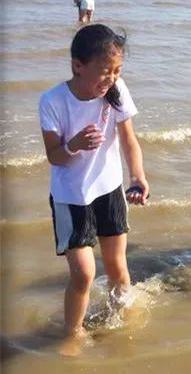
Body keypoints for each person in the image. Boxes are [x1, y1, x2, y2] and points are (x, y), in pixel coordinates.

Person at [38, 24, 149, 356]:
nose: (111, 78)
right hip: (71, 198)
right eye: (104, 71)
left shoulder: (116, 91)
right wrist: (73, 144)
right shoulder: (53, 100)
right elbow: (54, 157)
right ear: (77, 65)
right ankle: (72, 334)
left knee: (117, 267)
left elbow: (129, 142)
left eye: (117, 70)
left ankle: (121, 316)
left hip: (109, 190)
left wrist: (138, 177)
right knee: (84, 273)